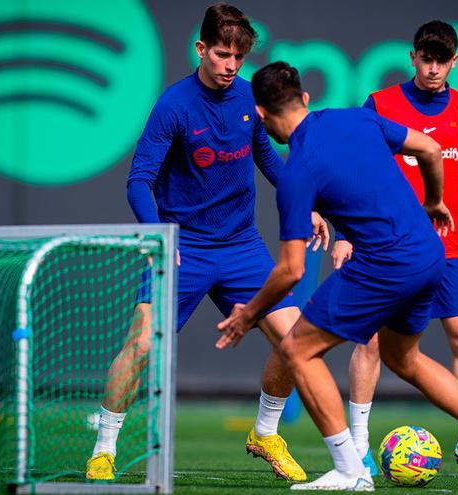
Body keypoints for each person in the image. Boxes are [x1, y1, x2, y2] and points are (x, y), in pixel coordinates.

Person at [217, 61, 458, 491]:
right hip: (431, 254)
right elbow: (431, 150)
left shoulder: (297, 172)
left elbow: (291, 270)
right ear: (305, 99)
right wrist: (435, 202)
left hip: (384, 265)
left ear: (262, 116)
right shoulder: (357, 118)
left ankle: (350, 469)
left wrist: (248, 315)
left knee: (297, 351)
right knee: (404, 358)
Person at [85, 4, 326, 482]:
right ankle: (104, 448)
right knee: (140, 346)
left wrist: (308, 204)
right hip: (183, 246)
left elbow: (271, 162)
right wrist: (159, 234)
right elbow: (139, 181)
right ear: (200, 49)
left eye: (239, 56)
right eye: (221, 54)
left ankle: (265, 431)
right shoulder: (173, 105)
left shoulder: (249, 99)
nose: (231, 65)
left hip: (241, 247)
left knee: (299, 339)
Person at [334, 20, 458, 476]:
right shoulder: (381, 105)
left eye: (442, 60)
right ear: (412, 57)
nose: (433, 68)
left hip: (447, 247)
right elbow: (357, 173)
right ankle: (359, 445)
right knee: (368, 341)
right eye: (426, 58)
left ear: (455, 61)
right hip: (386, 245)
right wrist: (346, 232)